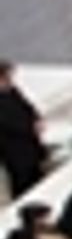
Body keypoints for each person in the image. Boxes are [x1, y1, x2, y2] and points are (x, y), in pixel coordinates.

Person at [0, 61, 44, 200]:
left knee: (36, 173)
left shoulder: (12, 90)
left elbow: (27, 106)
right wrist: (29, 128)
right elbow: (7, 123)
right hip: (12, 148)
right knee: (22, 180)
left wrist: (37, 119)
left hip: (29, 142)